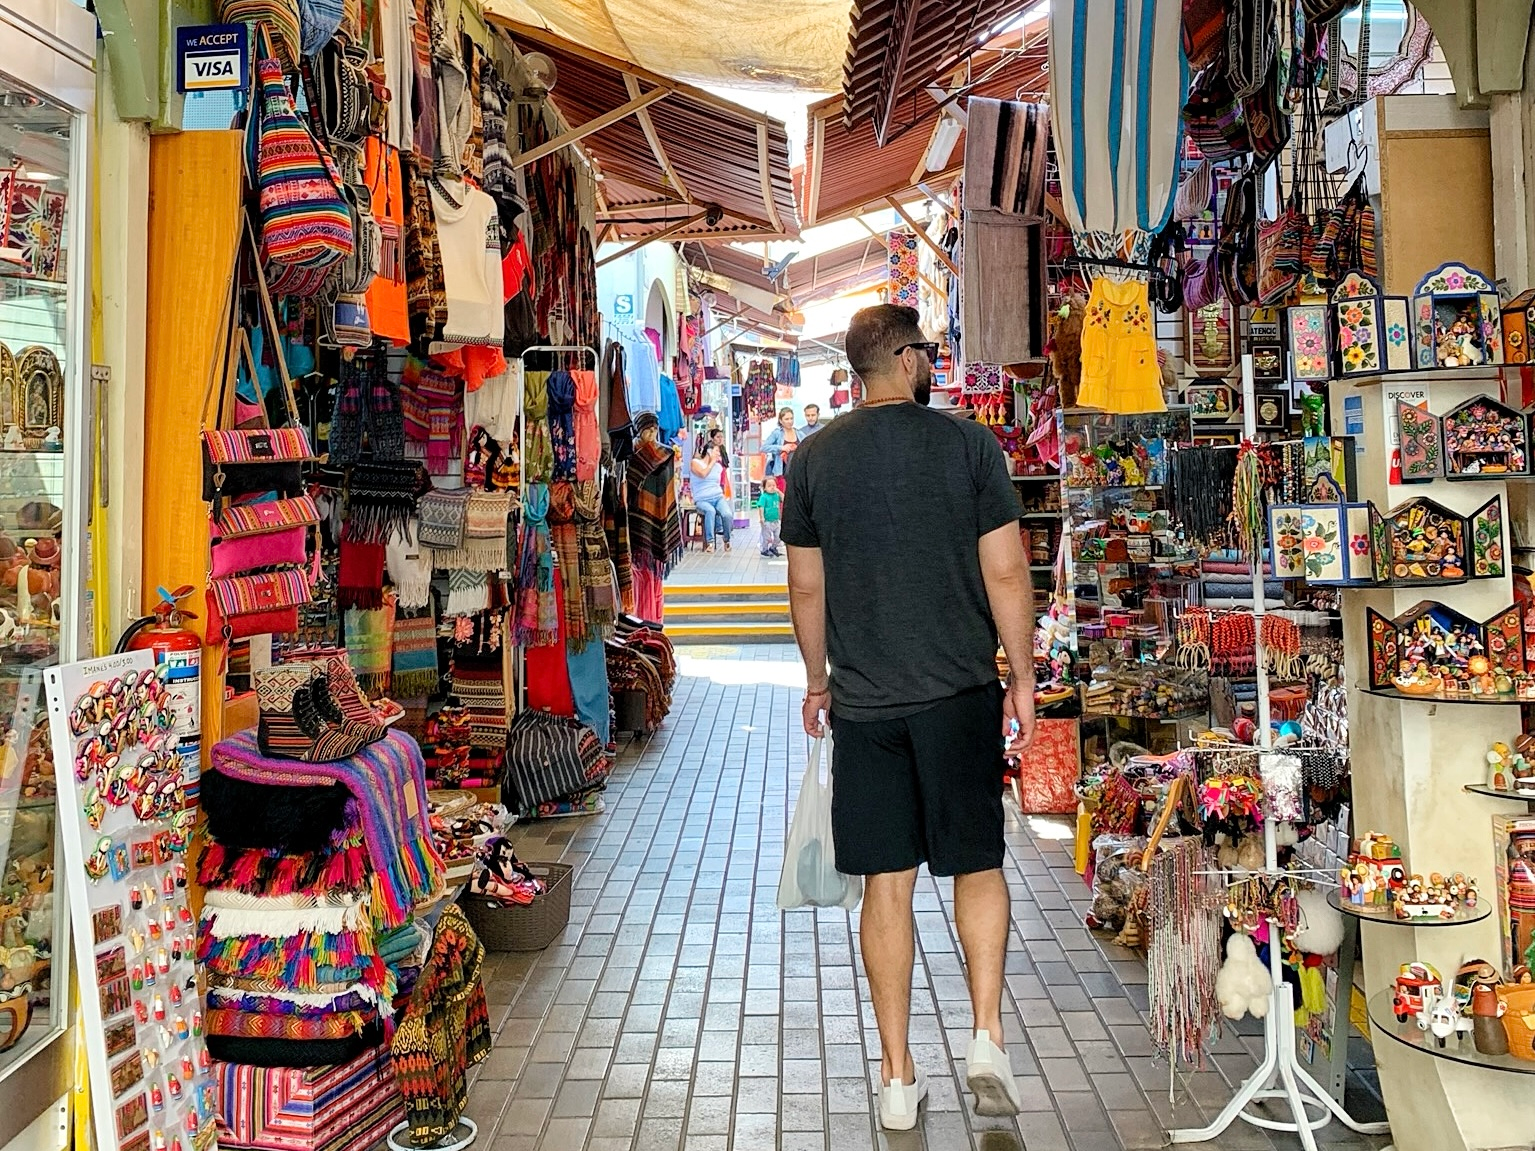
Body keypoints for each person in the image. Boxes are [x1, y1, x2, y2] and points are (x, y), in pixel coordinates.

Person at [781, 304, 1037, 1132]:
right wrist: (1023, 676)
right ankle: (986, 1036)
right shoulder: (968, 446)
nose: (932, 363)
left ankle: (896, 1076)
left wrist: (816, 681)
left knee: (884, 886)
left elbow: (806, 587)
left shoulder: (812, 458)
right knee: (976, 865)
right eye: (926, 351)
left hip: (865, 707)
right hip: (959, 695)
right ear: (902, 359)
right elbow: (1004, 572)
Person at [688, 440, 733, 553]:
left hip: (717, 497)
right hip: (702, 499)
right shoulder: (695, 463)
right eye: (716, 451)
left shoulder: (718, 467)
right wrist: (712, 462)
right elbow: (703, 474)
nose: (719, 454)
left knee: (727, 514)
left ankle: (727, 540)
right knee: (710, 511)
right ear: (709, 451)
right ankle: (710, 542)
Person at [762, 406, 798, 477]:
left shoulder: (799, 433)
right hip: (781, 472)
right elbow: (764, 448)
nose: (790, 421)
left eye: (791, 418)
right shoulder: (777, 433)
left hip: (797, 473)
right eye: (787, 419)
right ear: (781, 421)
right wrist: (781, 448)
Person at [758, 475, 784, 557]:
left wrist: (778, 491)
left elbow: (783, 499)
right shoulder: (764, 497)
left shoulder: (776, 495)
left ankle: (773, 547)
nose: (772, 487)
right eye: (769, 486)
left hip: (776, 520)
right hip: (767, 521)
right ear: (764, 488)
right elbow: (761, 507)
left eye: (774, 485)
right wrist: (762, 517)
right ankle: (764, 549)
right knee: (766, 537)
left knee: (779, 536)